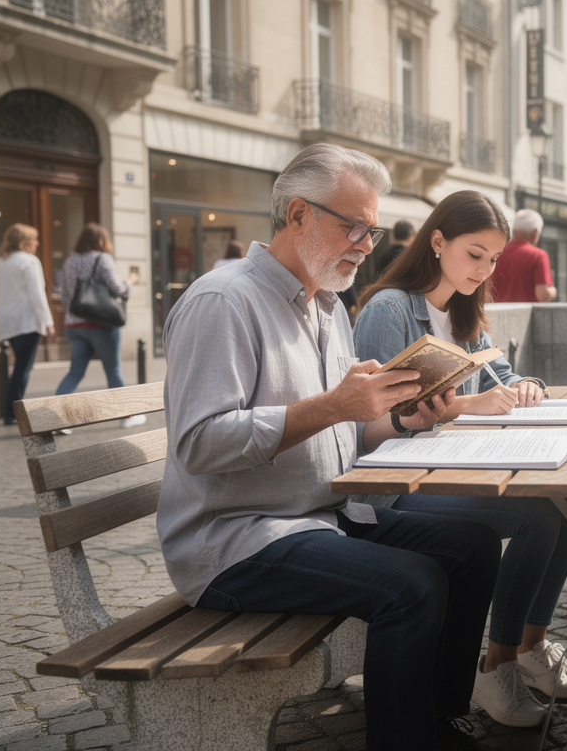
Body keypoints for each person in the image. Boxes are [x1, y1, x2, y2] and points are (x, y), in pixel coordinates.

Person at [156, 143, 501, 750]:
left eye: (372, 230)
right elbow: (199, 444)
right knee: (413, 584)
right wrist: (334, 405)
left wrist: (403, 421)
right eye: (356, 228)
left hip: (323, 516)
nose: (368, 245)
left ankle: (440, 720)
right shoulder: (224, 301)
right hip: (238, 538)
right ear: (297, 215)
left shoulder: (327, 306)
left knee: (472, 546)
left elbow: (344, 433)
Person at [354, 190, 567, 728]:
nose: (483, 270)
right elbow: (374, 420)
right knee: (537, 514)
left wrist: (527, 385)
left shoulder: (464, 312)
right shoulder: (389, 310)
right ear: (437, 242)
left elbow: (505, 378)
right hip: (392, 485)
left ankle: (530, 648)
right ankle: (495, 664)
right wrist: (467, 404)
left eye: (493, 260)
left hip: (451, 464)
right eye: (474, 254)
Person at [55, 223, 146, 428]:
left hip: (73, 324)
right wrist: (129, 282)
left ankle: (54, 418)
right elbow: (118, 289)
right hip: (100, 325)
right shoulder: (103, 259)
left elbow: (65, 296)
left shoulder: (70, 261)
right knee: (113, 370)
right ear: (102, 241)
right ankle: (126, 416)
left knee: (75, 372)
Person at [0, 224, 54, 425]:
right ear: (24, 241)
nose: (37, 243)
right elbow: (37, 295)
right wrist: (47, 322)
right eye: (34, 239)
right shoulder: (29, 261)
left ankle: (9, 411)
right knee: (23, 367)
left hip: (6, 320)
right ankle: (12, 412)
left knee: (19, 366)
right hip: (26, 320)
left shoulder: (0, 262)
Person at [491, 209, 557, 302]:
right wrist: (553, 291)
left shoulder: (497, 253)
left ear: (513, 231)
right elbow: (543, 295)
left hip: (496, 314)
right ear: (535, 233)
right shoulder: (538, 255)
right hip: (527, 315)